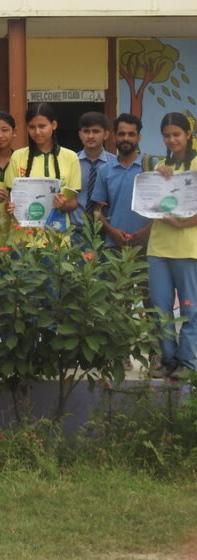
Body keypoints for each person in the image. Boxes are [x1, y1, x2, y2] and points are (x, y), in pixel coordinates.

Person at [145, 112, 197, 377]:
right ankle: (168, 360)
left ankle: (189, 363)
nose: (172, 139)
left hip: (188, 247)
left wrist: (183, 224)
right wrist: (155, 177)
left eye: (177, 134)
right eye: (167, 135)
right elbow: (148, 203)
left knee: (190, 307)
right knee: (160, 307)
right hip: (158, 247)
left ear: (188, 134)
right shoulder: (160, 167)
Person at [5, 103, 81, 233]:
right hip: (24, 239)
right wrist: (10, 207)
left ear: (54, 125)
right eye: (32, 127)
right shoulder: (18, 157)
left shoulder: (71, 157)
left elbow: (73, 203)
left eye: (42, 126)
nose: (37, 132)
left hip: (57, 240)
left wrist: (63, 205)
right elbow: (10, 197)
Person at [93, 113, 150, 250]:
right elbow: (97, 209)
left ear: (139, 137)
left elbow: (161, 208)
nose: (126, 138)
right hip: (113, 246)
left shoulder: (150, 166)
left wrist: (147, 231)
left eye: (131, 134)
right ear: (114, 137)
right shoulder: (104, 170)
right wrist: (111, 231)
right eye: (121, 134)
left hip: (147, 246)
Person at [72, 111, 116, 240]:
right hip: (76, 234)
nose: (90, 136)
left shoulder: (115, 164)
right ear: (80, 134)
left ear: (106, 134)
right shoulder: (71, 162)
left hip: (106, 234)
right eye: (86, 131)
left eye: (96, 131)